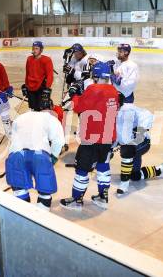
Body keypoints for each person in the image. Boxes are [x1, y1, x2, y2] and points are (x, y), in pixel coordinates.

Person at [60, 61, 119, 211]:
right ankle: (103, 197)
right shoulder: (113, 90)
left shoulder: (93, 88)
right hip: (107, 136)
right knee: (103, 165)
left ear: (96, 76)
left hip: (92, 137)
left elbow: (79, 107)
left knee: (82, 168)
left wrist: (74, 95)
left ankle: (77, 200)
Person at [5, 94, 65, 211]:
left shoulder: (21, 117)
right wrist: (52, 157)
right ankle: (39, 221)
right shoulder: (51, 119)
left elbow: (12, 137)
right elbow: (59, 142)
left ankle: (23, 220)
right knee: (45, 191)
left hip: (16, 155)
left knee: (19, 190)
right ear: (51, 108)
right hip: (39, 156)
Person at [116, 102, 163, 195]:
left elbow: (146, 116)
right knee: (135, 176)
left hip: (143, 141)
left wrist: (140, 131)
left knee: (127, 150)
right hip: (130, 141)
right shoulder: (110, 114)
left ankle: (124, 184)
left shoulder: (128, 109)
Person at [22, 41, 53, 111]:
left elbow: (50, 75)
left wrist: (47, 88)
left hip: (41, 87)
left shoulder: (47, 60)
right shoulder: (29, 59)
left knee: (42, 109)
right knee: (33, 108)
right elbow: (27, 73)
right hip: (30, 87)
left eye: (36, 48)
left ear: (41, 50)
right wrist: (26, 85)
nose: (34, 50)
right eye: (33, 48)